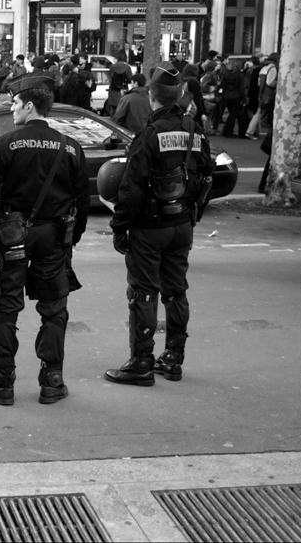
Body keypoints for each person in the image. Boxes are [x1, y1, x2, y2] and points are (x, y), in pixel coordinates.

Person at [0, 75, 90, 406]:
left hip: (11, 237)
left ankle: (2, 382)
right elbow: (83, 201)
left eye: (15, 103)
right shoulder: (70, 147)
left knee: (5, 309)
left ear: (30, 106)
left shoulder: (7, 144)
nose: (12, 108)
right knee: (54, 310)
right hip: (54, 238)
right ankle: (52, 380)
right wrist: (69, 239)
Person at [104, 64, 215, 387]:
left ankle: (141, 362)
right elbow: (206, 175)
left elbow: (132, 187)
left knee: (143, 293)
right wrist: (195, 212)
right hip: (182, 223)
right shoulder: (194, 130)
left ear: (152, 95)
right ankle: (173, 358)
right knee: (176, 291)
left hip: (149, 227)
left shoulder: (150, 135)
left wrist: (119, 226)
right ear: (179, 94)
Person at [220, 56, 248, 138]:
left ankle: (227, 130)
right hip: (236, 96)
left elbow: (223, 85)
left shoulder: (226, 74)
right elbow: (241, 88)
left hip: (227, 96)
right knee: (233, 115)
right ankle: (228, 131)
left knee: (231, 114)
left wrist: (223, 96)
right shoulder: (240, 75)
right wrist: (244, 99)